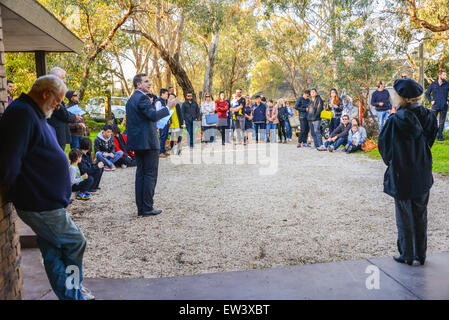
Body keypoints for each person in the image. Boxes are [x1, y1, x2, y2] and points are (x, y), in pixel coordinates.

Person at [0, 75, 92, 300]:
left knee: (53, 250)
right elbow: (10, 159)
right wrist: (11, 188)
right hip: (39, 202)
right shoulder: (22, 114)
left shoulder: (35, 113)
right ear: (45, 94)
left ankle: (72, 292)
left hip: (44, 201)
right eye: (58, 100)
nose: (59, 105)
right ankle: (73, 292)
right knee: (75, 242)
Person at [379, 78, 438, 266]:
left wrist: (393, 162)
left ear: (401, 97)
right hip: (422, 170)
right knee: (420, 213)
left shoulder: (395, 121)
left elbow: (385, 148)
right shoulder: (429, 116)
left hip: (401, 173)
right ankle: (421, 254)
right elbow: (430, 140)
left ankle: (407, 253)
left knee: (404, 215)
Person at [126, 73, 172, 217]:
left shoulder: (132, 99)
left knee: (141, 174)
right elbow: (153, 116)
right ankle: (147, 207)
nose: (150, 84)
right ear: (138, 84)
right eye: (146, 82)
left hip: (138, 142)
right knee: (150, 174)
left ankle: (141, 207)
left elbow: (145, 117)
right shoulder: (142, 98)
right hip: (148, 142)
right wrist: (168, 107)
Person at [47, 67, 81, 150]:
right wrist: (74, 117)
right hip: (56, 134)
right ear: (56, 79)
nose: (65, 80)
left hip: (57, 133)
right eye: (63, 78)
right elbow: (62, 113)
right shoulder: (52, 93)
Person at [425, 70, 449, 141]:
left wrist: (448, 101)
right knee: (431, 121)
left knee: (442, 122)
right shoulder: (433, 84)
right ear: (439, 75)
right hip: (435, 106)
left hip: (444, 106)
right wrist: (430, 101)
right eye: (444, 75)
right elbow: (427, 94)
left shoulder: (447, 84)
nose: (445, 76)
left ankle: (440, 137)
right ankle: (430, 136)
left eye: (445, 75)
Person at [156, 88, 170, 158]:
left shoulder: (165, 101)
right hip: (162, 122)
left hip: (166, 121)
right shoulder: (158, 102)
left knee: (165, 137)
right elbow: (157, 112)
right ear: (162, 94)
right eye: (166, 94)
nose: (167, 95)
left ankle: (163, 151)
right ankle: (161, 152)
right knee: (162, 136)